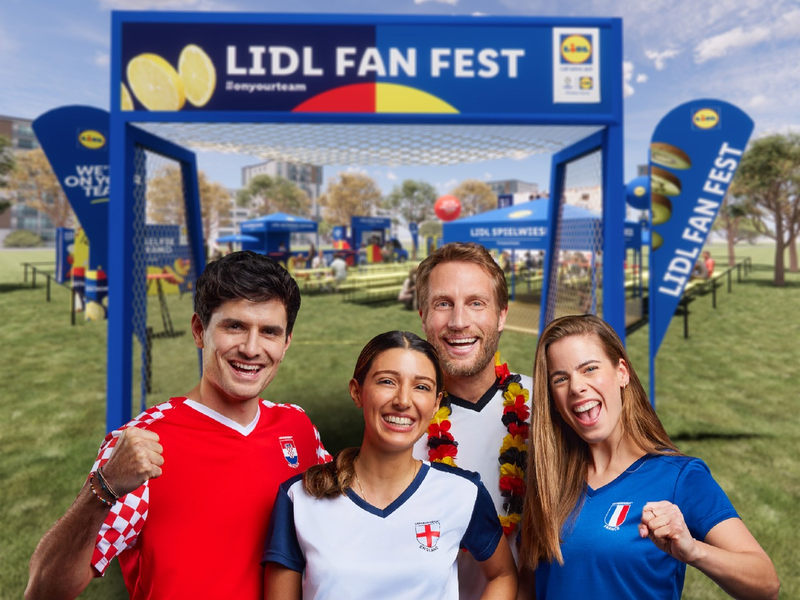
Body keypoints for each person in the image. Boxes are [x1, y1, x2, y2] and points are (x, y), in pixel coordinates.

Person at [25, 251, 331, 600]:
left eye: (269, 332)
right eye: (235, 326)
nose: (251, 348)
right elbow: (44, 592)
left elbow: (347, 516)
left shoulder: (298, 428)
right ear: (200, 331)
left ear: (286, 343)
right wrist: (104, 487)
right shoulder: (143, 444)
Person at [517, 314, 780, 600]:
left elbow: (766, 584)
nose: (576, 387)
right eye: (560, 378)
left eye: (590, 368)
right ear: (553, 399)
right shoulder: (548, 481)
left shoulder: (678, 477)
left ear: (622, 373)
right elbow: (528, 587)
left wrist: (694, 551)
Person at [263, 331, 517, 599]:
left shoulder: (463, 492)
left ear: (436, 404)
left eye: (421, 387)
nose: (403, 401)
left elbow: (503, 574)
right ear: (357, 392)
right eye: (387, 381)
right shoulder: (299, 497)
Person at [412, 242, 533, 600]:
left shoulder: (546, 404)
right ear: (423, 316)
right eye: (443, 304)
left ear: (502, 315)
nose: (458, 322)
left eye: (476, 303)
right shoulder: (403, 423)